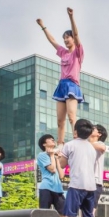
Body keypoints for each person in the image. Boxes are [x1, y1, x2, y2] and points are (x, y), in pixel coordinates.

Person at [36, 8, 84, 144]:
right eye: (64, 39)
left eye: (68, 37)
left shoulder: (78, 52)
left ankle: (76, 140)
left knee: (71, 116)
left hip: (72, 85)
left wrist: (71, 17)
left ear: (73, 39)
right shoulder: (63, 52)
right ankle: (60, 143)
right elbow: (52, 41)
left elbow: (76, 33)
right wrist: (43, 26)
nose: (65, 40)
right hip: (62, 85)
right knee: (59, 120)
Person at [58, 119, 102, 217]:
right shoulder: (91, 148)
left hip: (76, 185)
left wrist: (58, 156)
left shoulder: (69, 145)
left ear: (75, 131)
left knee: (70, 216)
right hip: (91, 186)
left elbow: (62, 164)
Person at [37, 134, 66, 216]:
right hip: (46, 187)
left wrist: (57, 159)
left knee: (64, 214)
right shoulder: (42, 155)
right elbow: (52, 169)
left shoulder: (55, 156)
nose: (52, 139)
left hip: (58, 188)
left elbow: (61, 175)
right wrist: (52, 155)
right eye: (49, 139)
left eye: (53, 138)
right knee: (44, 215)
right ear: (44, 144)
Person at [89, 124, 108, 217]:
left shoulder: (99, 143)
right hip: (85, 182)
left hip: (95, 182)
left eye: (93, 128)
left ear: (99, 134)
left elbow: (101, 147)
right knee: (86, 214)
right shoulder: (86, 145)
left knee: (90, 213)